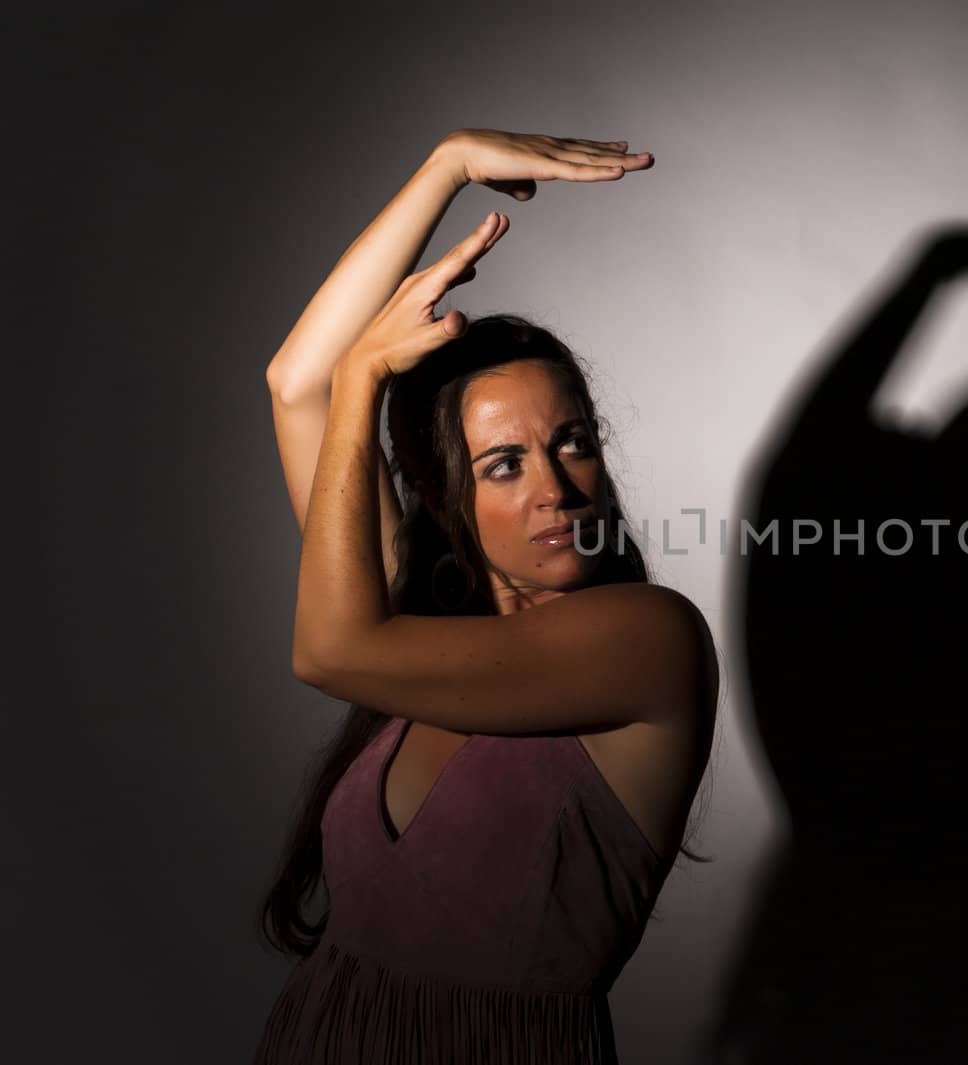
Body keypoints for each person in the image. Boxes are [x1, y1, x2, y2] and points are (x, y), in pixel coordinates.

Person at [253, 129, 719, 1063]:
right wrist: (446, 166)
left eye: (573, 441)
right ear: (443, 496)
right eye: (504, 464)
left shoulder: (648, 641)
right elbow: (293, 382)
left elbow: (328, 651)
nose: (555, 486)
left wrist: (365, 377)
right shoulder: (426, 629)